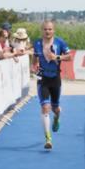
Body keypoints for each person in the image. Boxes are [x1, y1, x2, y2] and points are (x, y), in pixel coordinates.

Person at [33, 20, 70, 150]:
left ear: (53, 30)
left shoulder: (60, 42)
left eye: (50, 29)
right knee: (45, 107)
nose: (47, 31)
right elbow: (35, 56)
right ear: (42, 30)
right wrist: (34, 65)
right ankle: (48, 138)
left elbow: (69, 57)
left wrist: (57, 57)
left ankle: (56, 118)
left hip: (55, 78)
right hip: (43, 79)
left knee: (56, 109)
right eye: (45, 29)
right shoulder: (37, 43)